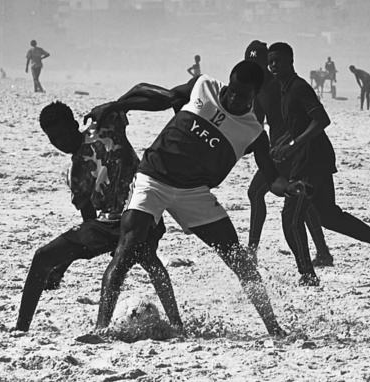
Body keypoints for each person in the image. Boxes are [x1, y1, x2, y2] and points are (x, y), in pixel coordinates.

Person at [84, 60, 312, 337]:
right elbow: (164, 97)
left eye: (244, 96)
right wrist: (118, 105)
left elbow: (273, 178)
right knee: (126, 249)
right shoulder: (204, 87)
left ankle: (274, 328)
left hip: (194, 194)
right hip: (153, 179)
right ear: (229, 83)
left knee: (238, 259)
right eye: (233, 91)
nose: (235, 99)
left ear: (255, 95)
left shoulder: (252, 131)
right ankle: (101, 329)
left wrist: (288, 188)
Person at [15, 101, 182, 332]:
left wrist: (114, 105)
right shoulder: (75, 175)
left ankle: (176, 324)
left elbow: (137, 97)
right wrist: (63, 263)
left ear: (75, 125)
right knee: (43, 256)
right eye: (54, 139)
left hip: (140, 209)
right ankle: (20, 328)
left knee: (147, 257)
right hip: (108, 223)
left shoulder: (105, 127)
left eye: (64, 133)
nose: (61, 142)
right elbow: (89, 225)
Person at [267, 42, 370, 286]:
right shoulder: (285, 89)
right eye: (271, 61)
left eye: (278, 60)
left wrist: (294, 144)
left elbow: (322, 119)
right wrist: (285, 144)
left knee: (291, 218)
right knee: (328, 216)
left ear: (290, 62)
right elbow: (300, 124)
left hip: (311, 160)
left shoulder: (298, 88)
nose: (273, 65)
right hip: (313, 158)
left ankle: (307, 275)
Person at [245, 41, 333, 267]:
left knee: (262, 193)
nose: (257, 68)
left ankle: (251, 252)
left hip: (291, 151)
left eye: (259, 64)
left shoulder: (280, 83)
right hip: (278, 150)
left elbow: (301, 116)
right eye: (251, 64)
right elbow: (257, 120)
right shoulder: (258, 88)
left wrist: (290, 144)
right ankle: (322, 252)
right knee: (298, 200)